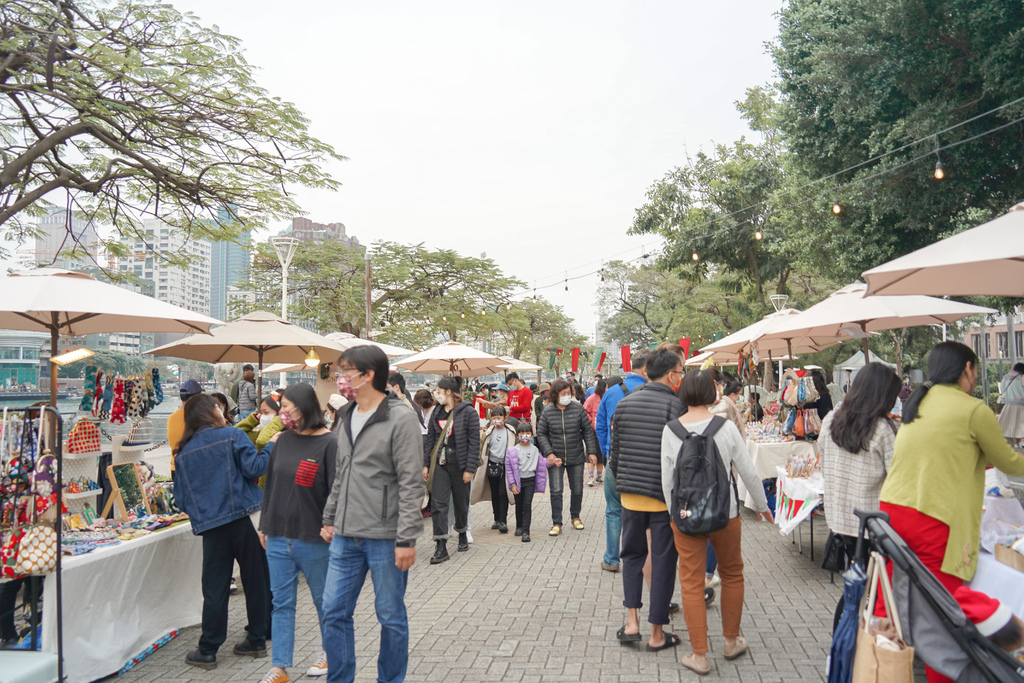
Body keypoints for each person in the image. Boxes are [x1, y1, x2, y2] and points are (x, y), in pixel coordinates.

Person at [320, 345, 424, 683]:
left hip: (386, 537)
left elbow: (411, 483)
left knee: (390, 616)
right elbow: (342, 473)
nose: (340, 378)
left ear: (368, 375)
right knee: (333, 612)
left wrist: (406, 538)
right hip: (346, 536)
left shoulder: (400, 417)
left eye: (346, 372)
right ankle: (340, 678)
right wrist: (329, 516)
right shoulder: (347, 414)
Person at [663, 369, 774, 675]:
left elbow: (667, 481)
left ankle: (699, 656)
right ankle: (730, 641)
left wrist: (674, 516)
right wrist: (762, 507)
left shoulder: (671, 430)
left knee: (691, 582)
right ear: (713, 394)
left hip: (685, 517)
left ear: (683, 393)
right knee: (732, 574)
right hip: (727, 514)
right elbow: (749, 471)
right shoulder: (724, 427)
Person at [173, 394, 271, 670]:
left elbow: (181, 500)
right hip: (246, 517)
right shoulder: (232, 436)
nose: (221, 410)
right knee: (255, 580)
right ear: (210, 412)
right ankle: (257, 640)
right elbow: (255, 467)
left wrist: (204, 512)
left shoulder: (184, 452)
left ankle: (208, 649)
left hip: (213, 526)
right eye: (217, 406)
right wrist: (271, 447)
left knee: (215, 588)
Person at [257, 383, 337, 683]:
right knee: (281, 603)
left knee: (324, 600)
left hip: (314, 537)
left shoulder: (330, 443)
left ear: (304, 407)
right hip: (277, 534)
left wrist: (331, 523)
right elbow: (272, 485)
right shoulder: (283, 441)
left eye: (287, 406)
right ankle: (280, 667)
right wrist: (265, 523)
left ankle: (330, 651)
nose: (282, 413)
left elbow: (337, 490)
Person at [608, 348, 684, 652]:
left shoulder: (624, 404)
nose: (682, 377)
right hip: (663, 498)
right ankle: (656, 634)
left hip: (629, 496)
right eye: (680, 371)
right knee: (663, 561)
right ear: (670, 375)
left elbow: (614, 456)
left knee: (631, 557)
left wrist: (625, 483)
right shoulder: (677, 406)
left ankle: (631, 623)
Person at [818, 363, 900, 557]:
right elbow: (897, 478)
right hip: (872, 522)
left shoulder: (830, 420)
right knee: (872, 584)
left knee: (854, 580)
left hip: (838, 519)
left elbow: (823, 463)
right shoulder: (882, 429)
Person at [596, 351, 650, 573]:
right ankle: (642, 560)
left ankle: (611, 559)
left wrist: (607, 452)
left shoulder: (612, 393)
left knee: (614, 510)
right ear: (647, 369)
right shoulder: (656, 392)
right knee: (645, 513)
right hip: (647, 464)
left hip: (615, 461)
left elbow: (600, 427)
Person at [422, 376, 479, 564]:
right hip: (440, 463)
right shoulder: (436, 412)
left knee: (461, 502)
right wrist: (426, 464)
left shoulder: (468, 412)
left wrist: (469, 469)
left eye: (438, 390)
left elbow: (474, 443)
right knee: (438, 504)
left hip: (460, 463)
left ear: (448, 391)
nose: (436, 394)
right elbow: (430, 439)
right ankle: (441, 545)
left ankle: (462, 533)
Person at [537, 378, 599, 536]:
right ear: (555, 394)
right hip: (556, 458)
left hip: (576, 455)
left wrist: (591, 452)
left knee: (577, 489)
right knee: (556, 490)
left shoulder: (577, 408)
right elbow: (541, 434)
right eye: (563, 393)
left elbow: (587, 431)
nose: (567, 396)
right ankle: (556, 523)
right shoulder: (548, 411)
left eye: (569, 393)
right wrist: (549, 453)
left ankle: (575, 516)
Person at [474, 405, 515, 533]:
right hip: (491, 465)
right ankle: (496, 519)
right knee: (495, 493)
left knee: (503, 493)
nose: (497, 420)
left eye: (499, 417)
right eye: (494, 418)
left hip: (506, 466)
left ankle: (503, 521)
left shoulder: (511, 432)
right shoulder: (488, 433)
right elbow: (482, 448)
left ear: (505, 418)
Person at [505, 421, 548, 542]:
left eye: (528, 433)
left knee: (527, 505)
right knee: (519, 505)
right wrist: (513, 484)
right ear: (518, 435)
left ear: (531, 435)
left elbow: (542, 463)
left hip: (530, 481)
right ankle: (519, 526)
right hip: (518, 482)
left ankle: (526, 531)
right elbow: (509, 469)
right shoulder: (512, 451)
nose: (525, 435)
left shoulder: (535, 450)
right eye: (522, 433)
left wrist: (551, 462)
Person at [167, 379, 204, 470]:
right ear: (196, 397)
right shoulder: (198, 417)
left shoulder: (171, 418)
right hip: (193, 468)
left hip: (175, 467)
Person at [584, 379, 606, 486]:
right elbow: (584, 412)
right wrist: (591, 420)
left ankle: (599, 475)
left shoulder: (607, 398)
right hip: (592, 430)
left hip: (603, 430)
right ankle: (591, 476)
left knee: (601, 454)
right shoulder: (591, 398)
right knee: (591, 452)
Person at [998, 362, 1024, 448]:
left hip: (1008, 404)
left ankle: (1015, 443)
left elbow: (1002, 389)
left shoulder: (1006, 377)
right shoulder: (1022, 377)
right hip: (1020, 404)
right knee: (1019, 424)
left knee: (1010, 424)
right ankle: (1020, 442)